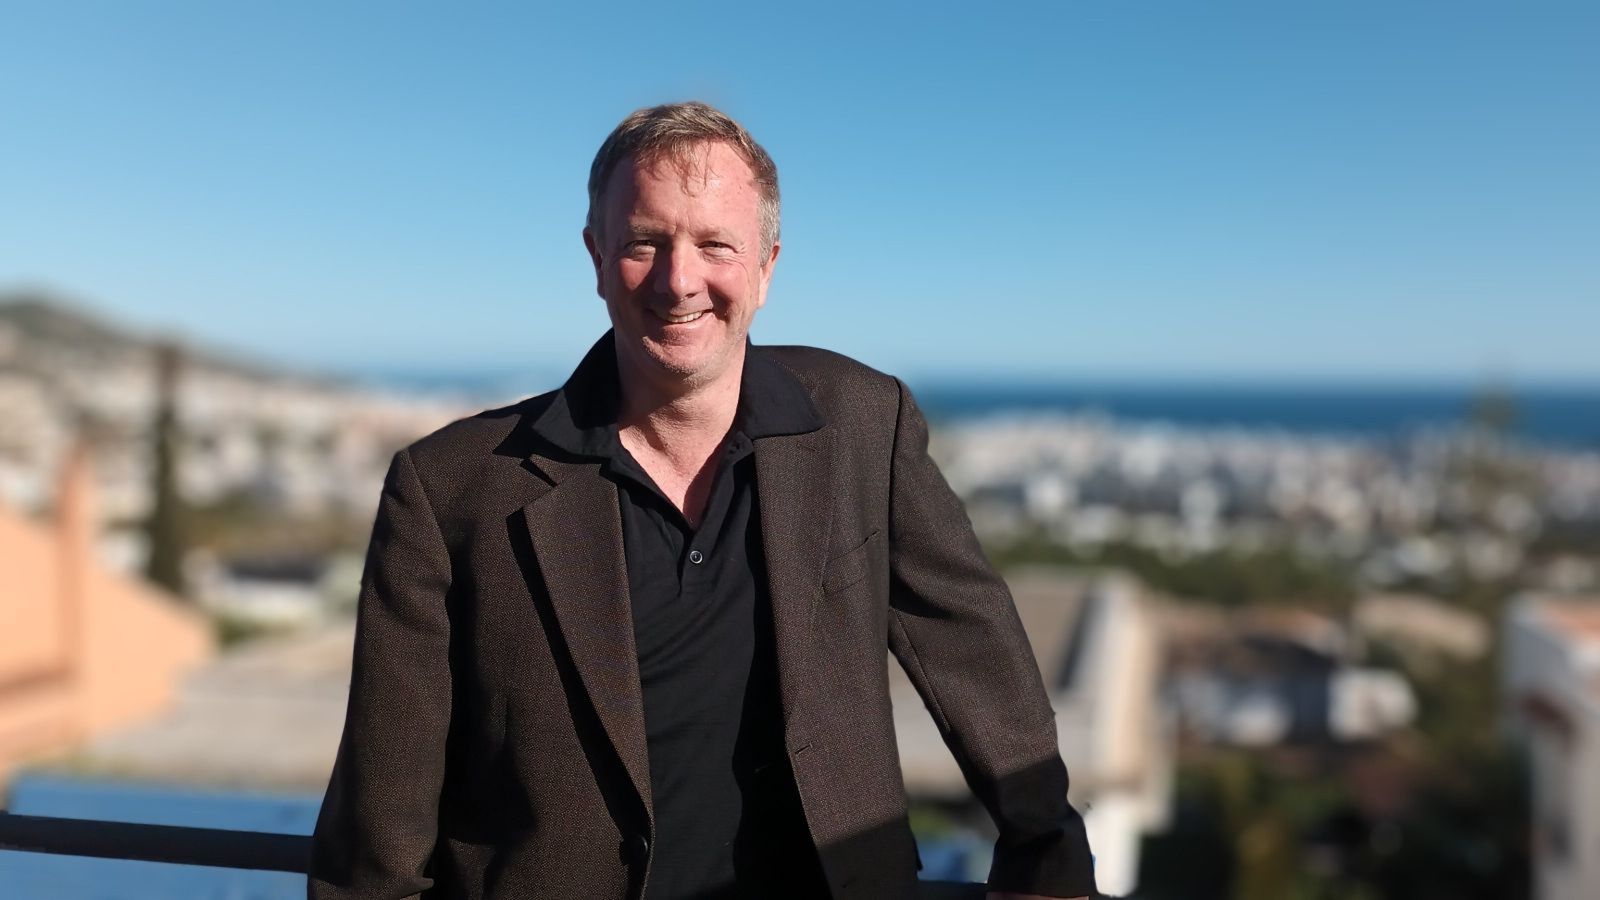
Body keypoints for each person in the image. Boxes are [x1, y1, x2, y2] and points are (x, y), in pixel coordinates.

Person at [308, 101, 1095, 900]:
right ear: (596, 255)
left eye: (715, 244)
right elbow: (382, 814)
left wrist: (1045, 840)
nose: (680, 280)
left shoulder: (861, 422)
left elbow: (969, 643)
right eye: (645, 242)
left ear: (766, 267)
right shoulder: (453, 487)